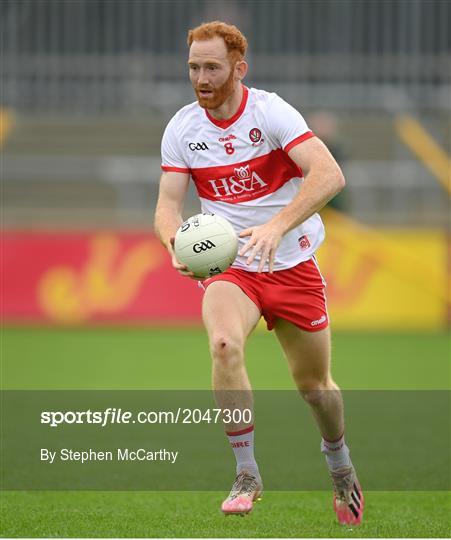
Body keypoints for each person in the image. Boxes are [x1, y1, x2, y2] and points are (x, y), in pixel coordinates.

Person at [154, 21, 364, 525]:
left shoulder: (270, 112)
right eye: (193, 67)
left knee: (316, 388)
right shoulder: (183, 127)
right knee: (224, 344)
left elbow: (330, 174)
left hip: (291, 263)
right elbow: (166, 205)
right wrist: (173, 243)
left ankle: (339, 463)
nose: (200, 78)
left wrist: (277, 225)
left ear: (238, 69)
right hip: (234, 269)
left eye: (211, 67)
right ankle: (247, 471)